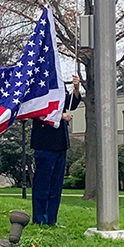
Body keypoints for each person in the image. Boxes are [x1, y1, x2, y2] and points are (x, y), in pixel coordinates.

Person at [31, 75, 82, 226]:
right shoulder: (39, 81)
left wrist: (76, 89)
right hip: (44, 141)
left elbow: (69, 104)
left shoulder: (58, 81)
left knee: (56, 185)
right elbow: (35, 109)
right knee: (42, 184)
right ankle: (40, 219)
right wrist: (59, 116)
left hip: (60, 141)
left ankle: (51, 219)